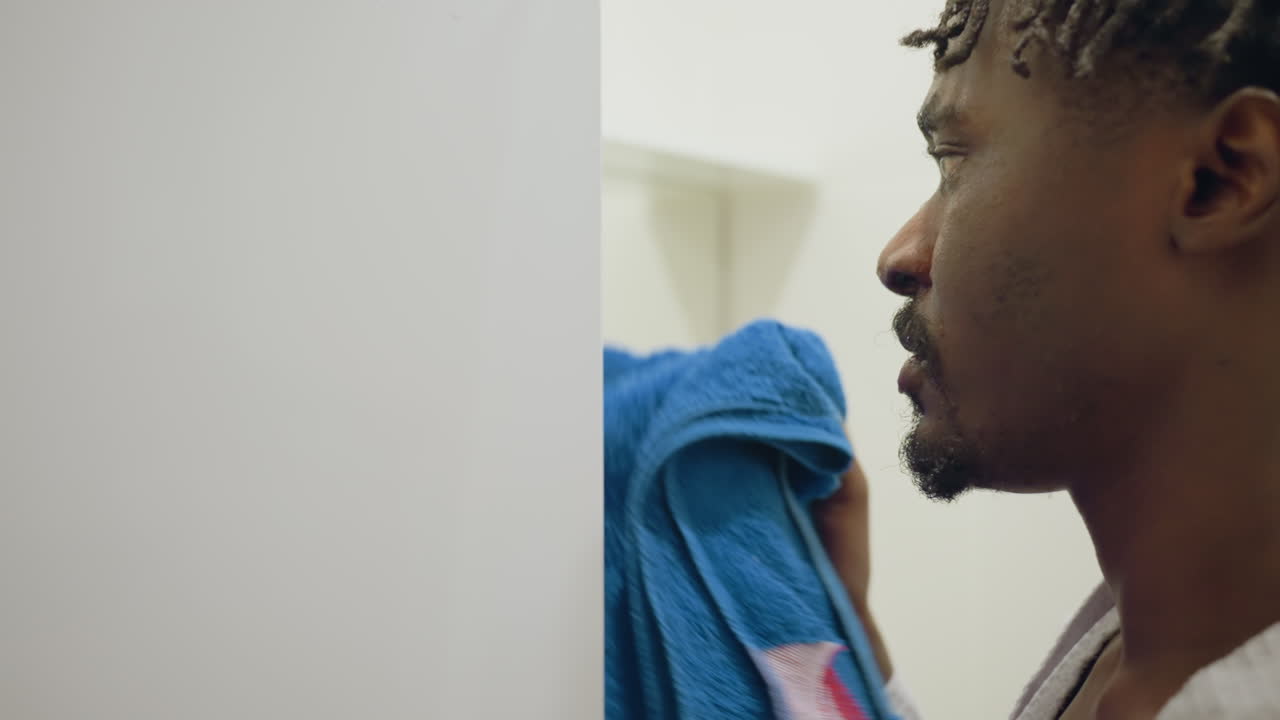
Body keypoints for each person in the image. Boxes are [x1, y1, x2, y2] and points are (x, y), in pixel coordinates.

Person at [816, 1, 1280, 718]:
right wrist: (844, 650)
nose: (899, 257)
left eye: (953, 159)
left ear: (1222, 176)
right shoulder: (1124, 652)